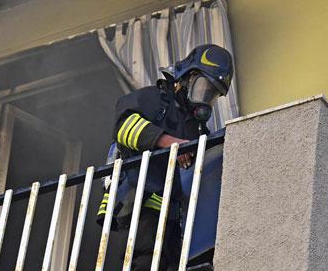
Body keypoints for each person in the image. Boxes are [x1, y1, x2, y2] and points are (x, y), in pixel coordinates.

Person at [97, 44, 233, 270]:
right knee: (147, 259)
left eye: (212, 94)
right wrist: (170, 143)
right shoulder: (155, 100)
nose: (205, 98)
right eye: (203, 88)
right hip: (142, 201)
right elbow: (123, 126)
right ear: (186, 78)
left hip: (177, 216)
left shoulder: (196, 129)